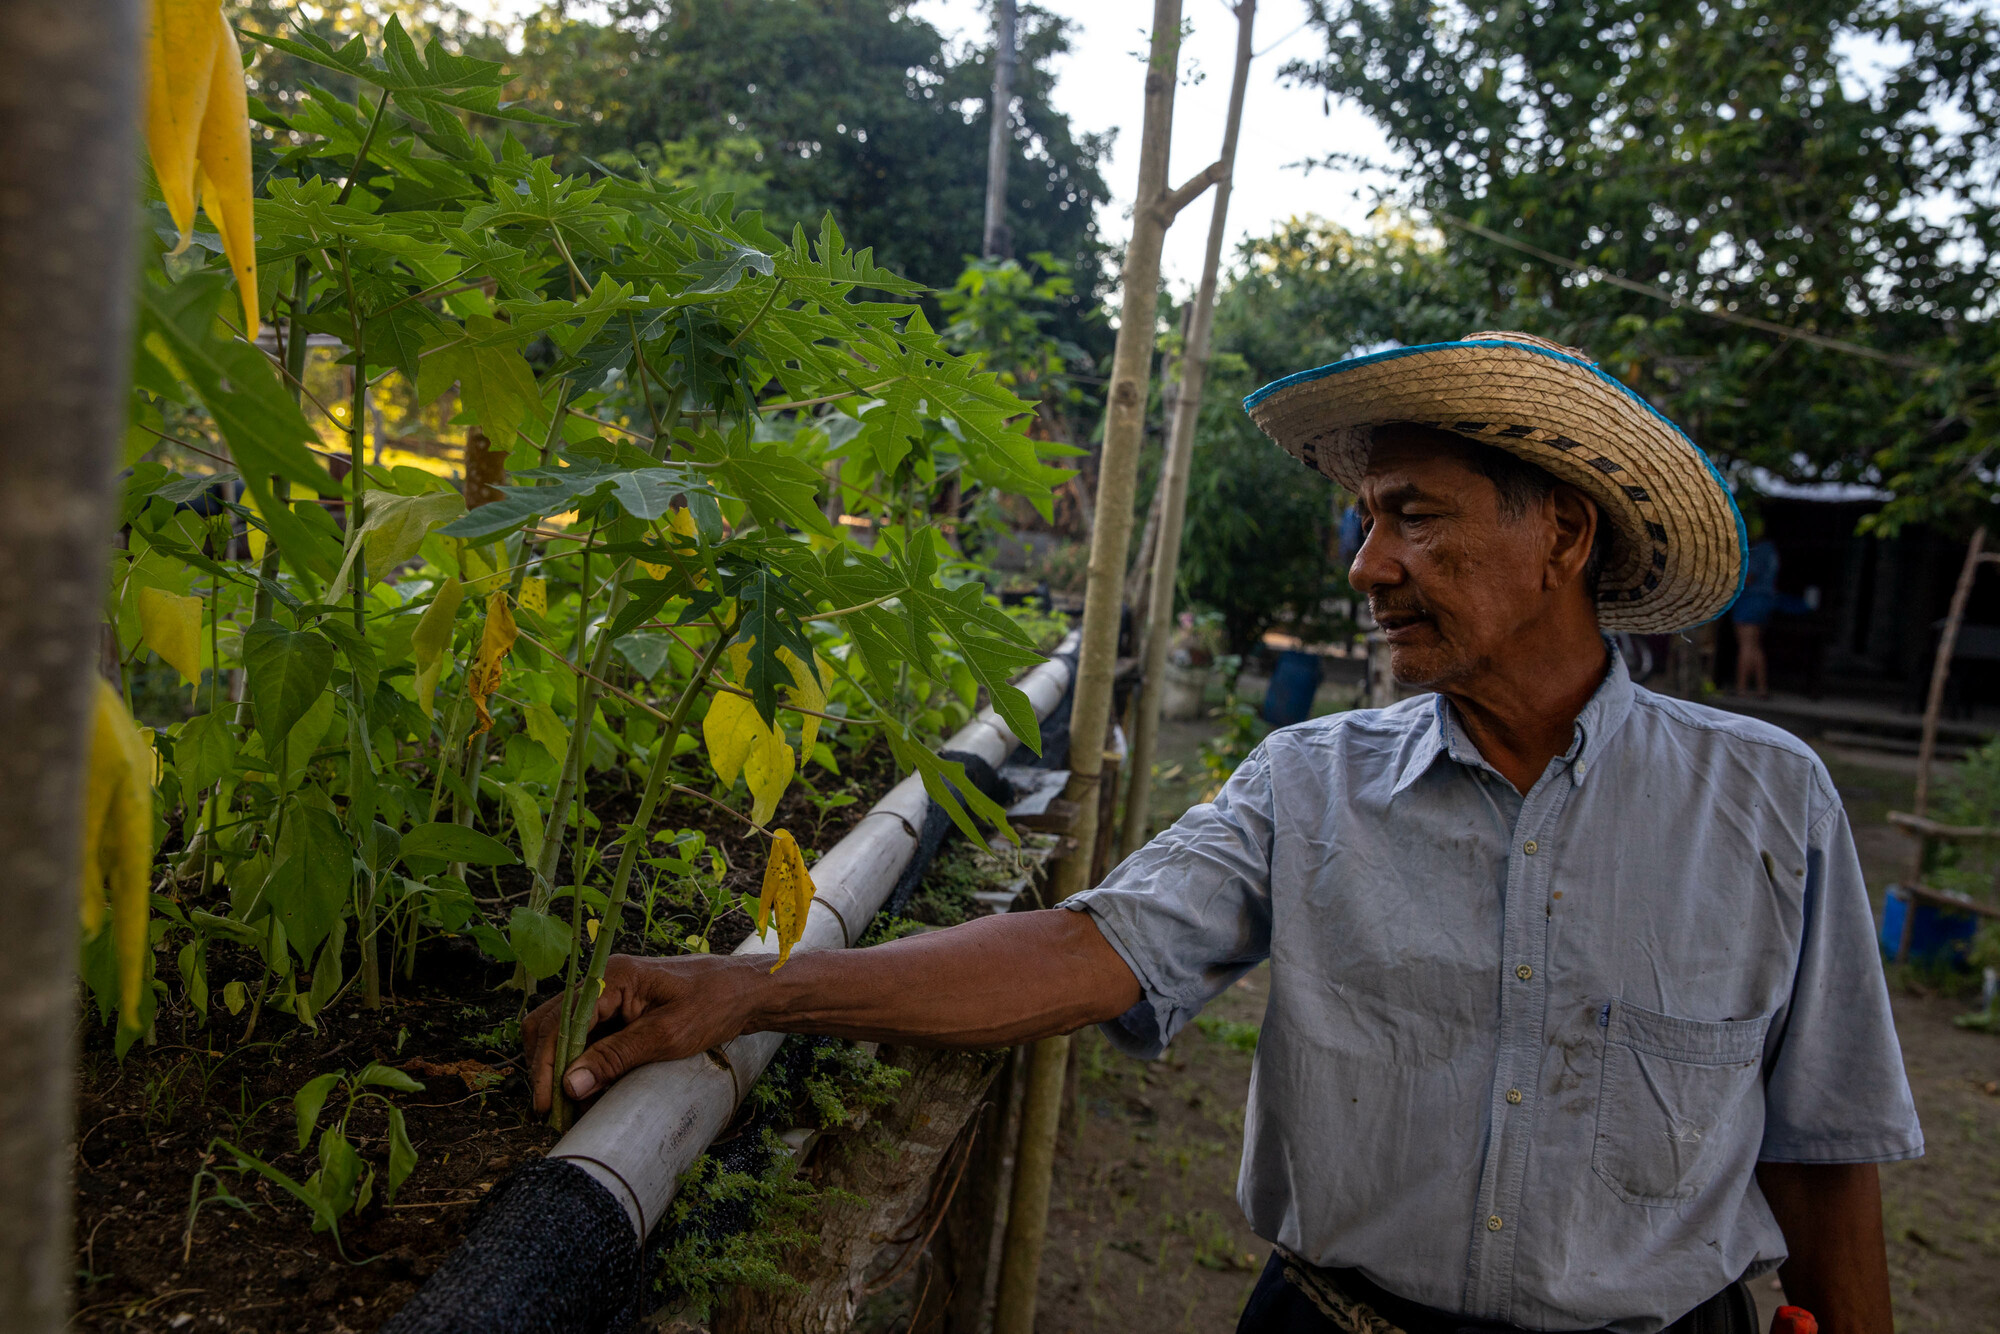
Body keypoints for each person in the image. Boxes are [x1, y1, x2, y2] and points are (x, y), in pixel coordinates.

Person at [527, 332, 1920, 1334]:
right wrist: (756, 985)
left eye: (1411, 517)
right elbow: (1082, 949)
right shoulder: (1307, 781)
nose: (1367, 567)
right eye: (1364, 521)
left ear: (1562, 532)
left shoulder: (1765, 801)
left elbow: (1821, 1148)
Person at [1733, 511, 1780, 696]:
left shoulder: (1760, 550)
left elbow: (1749, 577)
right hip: (1765, 600)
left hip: (1751, 599)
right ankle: (1761, 688)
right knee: (1755, 645)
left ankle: (1741, 687)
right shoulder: (1771, 550)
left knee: (1746, 644)